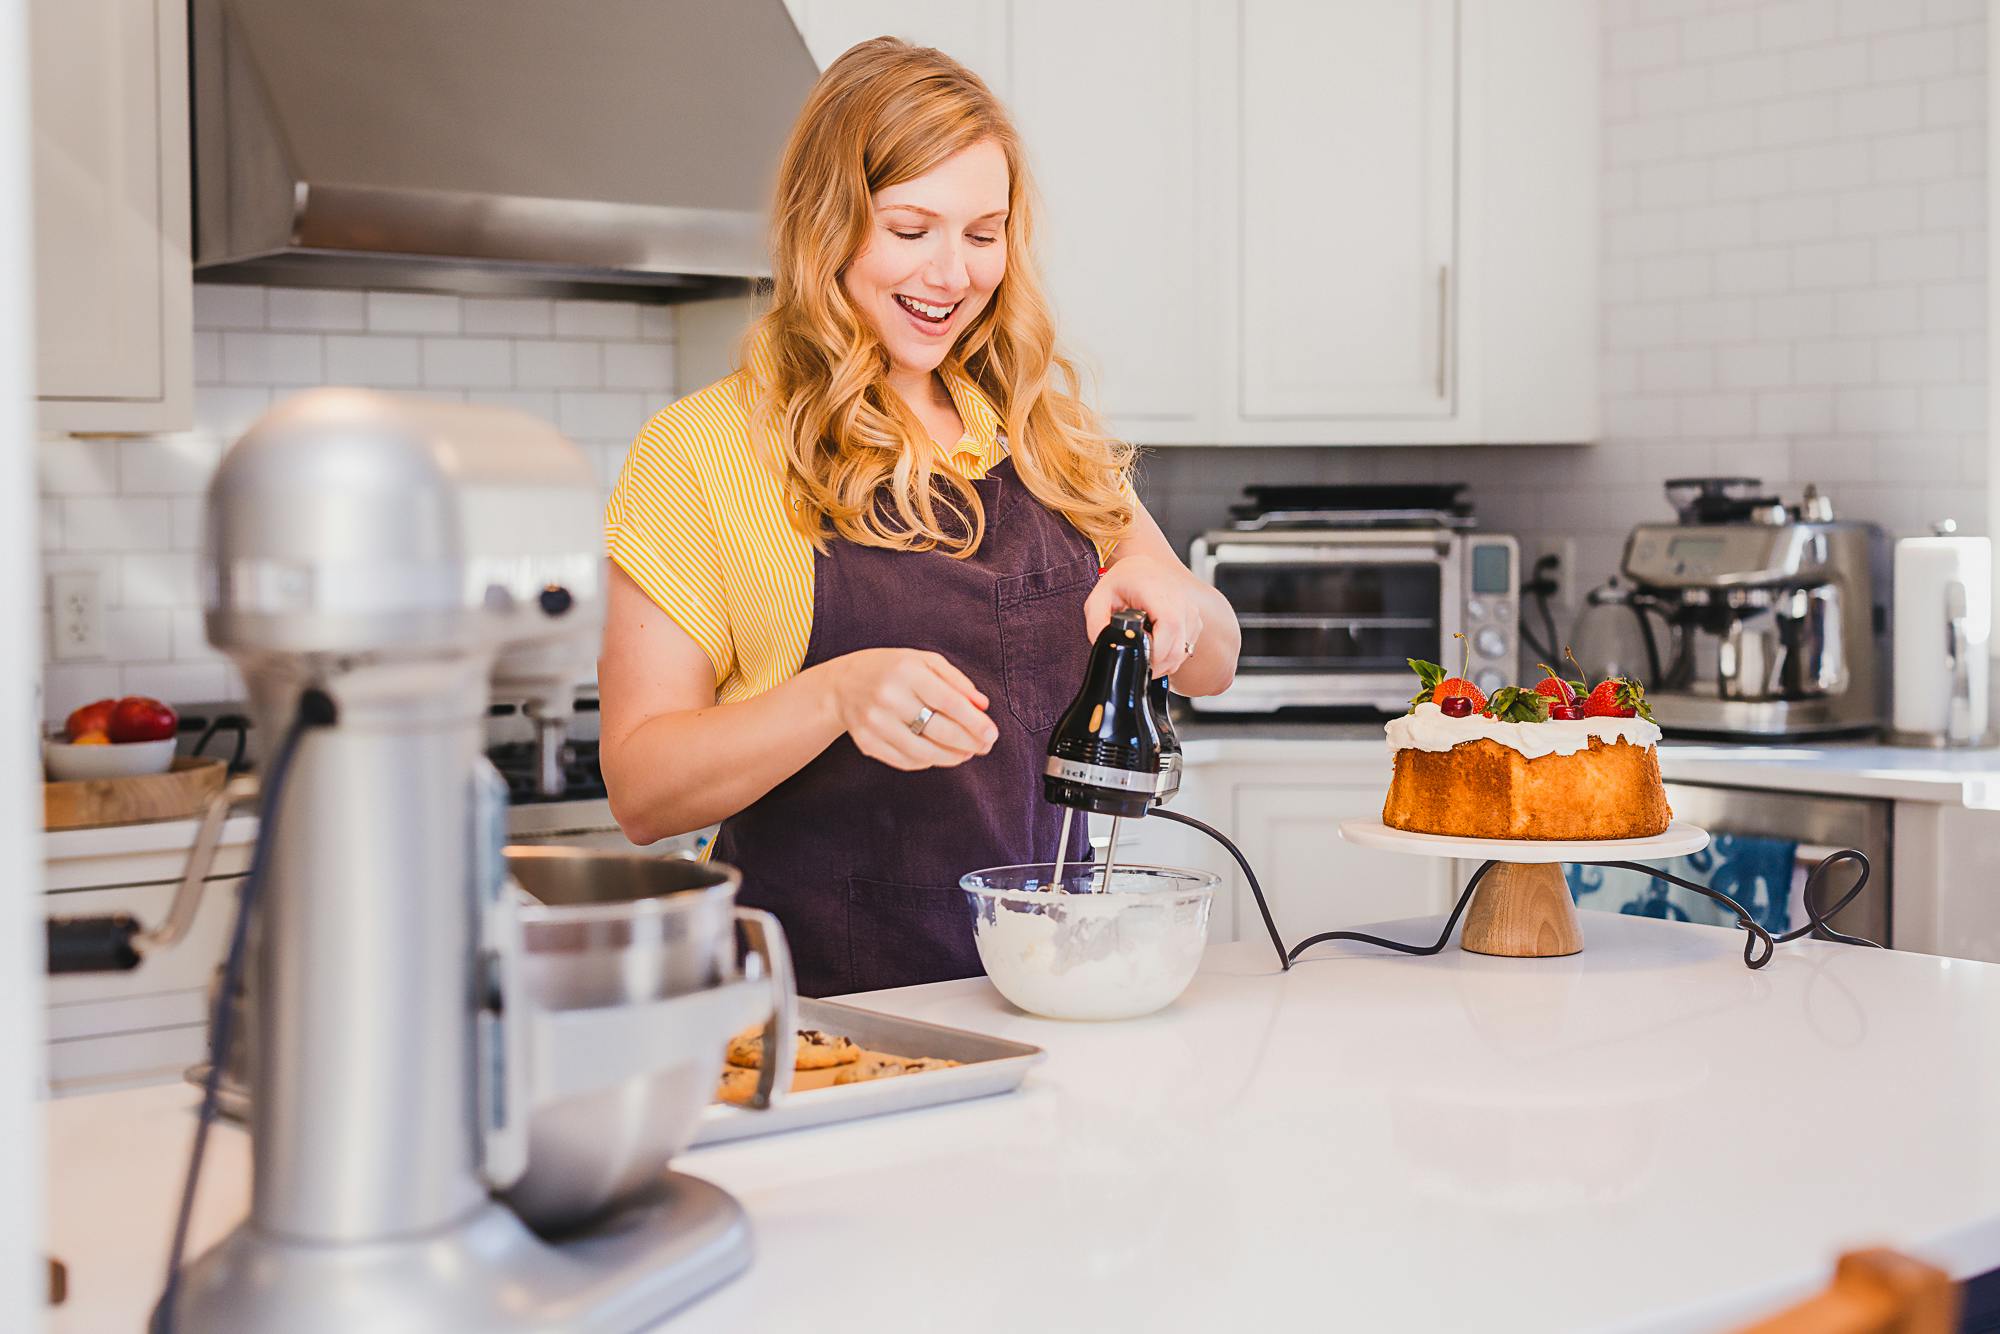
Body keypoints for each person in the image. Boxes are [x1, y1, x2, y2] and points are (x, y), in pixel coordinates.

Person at [598, 37, 1239, 997]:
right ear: (828, 226)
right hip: (817, 1031)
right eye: (910, 230)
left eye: (983, 235)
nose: (952, 274)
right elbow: (642, 792)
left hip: (1045, 995)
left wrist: (1176, 600)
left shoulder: (1039, 430)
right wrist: (833, 696)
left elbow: (1217, 660)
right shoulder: (705, 452)